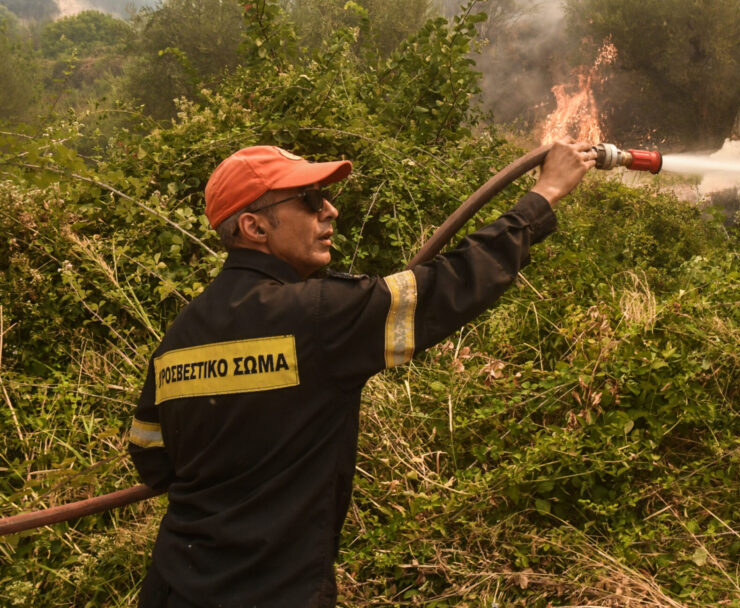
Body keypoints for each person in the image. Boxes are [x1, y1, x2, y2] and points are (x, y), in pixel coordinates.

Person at [128, 140, 595, 608]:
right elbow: (454, 284)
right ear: (254, 226)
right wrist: (546, 194)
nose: (329, 211)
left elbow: (151, 456)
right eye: (309, 200)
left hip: (172, 590)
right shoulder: (317, 317)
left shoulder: (180, 334)